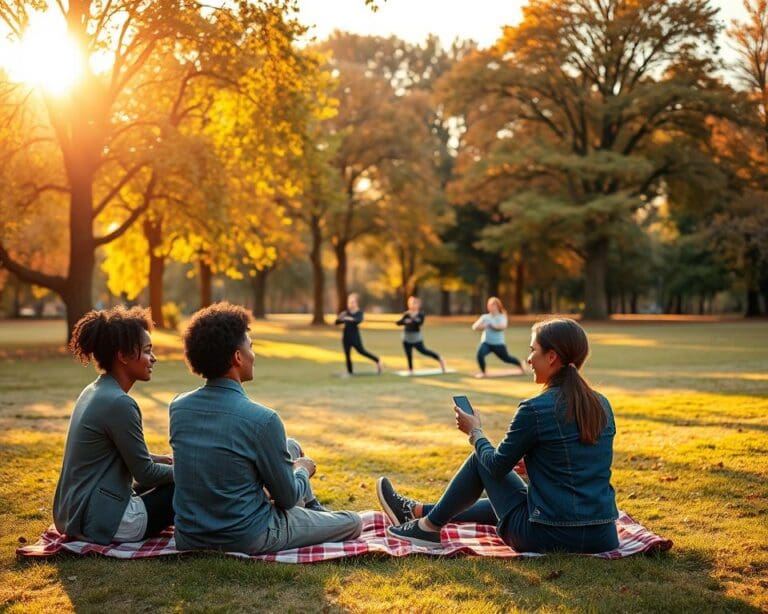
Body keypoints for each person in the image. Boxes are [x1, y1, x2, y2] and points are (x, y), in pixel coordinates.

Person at [376, 318, 619, 554]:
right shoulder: (602, 404)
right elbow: (580, 460)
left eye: (533, 350)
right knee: (516, 494)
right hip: (602, 535)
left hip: (548, 535)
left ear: (552, 356)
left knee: (481, 459)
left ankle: (428, 527)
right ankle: (418, 512)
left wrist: (475, 432)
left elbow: (495, 466)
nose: (529, 359)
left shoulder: (534, 409)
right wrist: (536, 463)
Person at [170, 302, 362, 553]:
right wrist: (303, 470)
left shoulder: (179, 407)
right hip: (248, 534)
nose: (253, 354)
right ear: (237, 357)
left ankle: (314, 509)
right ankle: (314, 511)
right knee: (353, 522)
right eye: (251, 347)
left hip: (190, 536)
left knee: (290, 445)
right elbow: (287, 498)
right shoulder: (263, 419)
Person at [53, 307, 174, 546]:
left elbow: (122, 454)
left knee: (172, 475)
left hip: (73, 514)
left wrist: (166, 459)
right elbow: (145, 473)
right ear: (124, 355)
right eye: (148, 351)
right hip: (103, 522)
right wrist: (192, 470)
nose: (154, 358)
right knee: (188, 486)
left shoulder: (95, 390)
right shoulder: (120, 403)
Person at [471, 296, 525, 377]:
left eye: (494, 305)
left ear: (498, 306)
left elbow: (502, 326)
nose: (492, 307)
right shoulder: (485, 317)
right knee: (480, 354)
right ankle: (483, 372)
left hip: (498, 344)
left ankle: (520, 364)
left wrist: (490, 325)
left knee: (506, 358)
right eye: (490, 305)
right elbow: (474, 327)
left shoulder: (502, 316)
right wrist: (482, 326)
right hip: (486, 342)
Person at [335, 292, 382, 376]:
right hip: (346, 337)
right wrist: (340, 318)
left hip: (355, 336)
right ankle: (350, 372)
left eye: (352, 302)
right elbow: (337, 322)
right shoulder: (346, 312)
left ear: (356, 303)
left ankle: (377, 360)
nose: (350, 304)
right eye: (349, 302)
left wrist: (349, 319)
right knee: (347, 354)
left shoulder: (359, 313)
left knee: (362, 351)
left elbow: (358, 320)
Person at [395, 296, 446, 374]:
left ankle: (439, 358)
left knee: (424, 351)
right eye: (410, 303)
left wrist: (411, 320)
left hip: (416, 338)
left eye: (413, 303)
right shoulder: (406, 314)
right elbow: (398, 323)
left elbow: (420, 323)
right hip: (406, 337)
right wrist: (405, 321)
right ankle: (410, 369)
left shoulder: (420, 314)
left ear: (418, 304)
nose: (412, 305)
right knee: (408, 354)